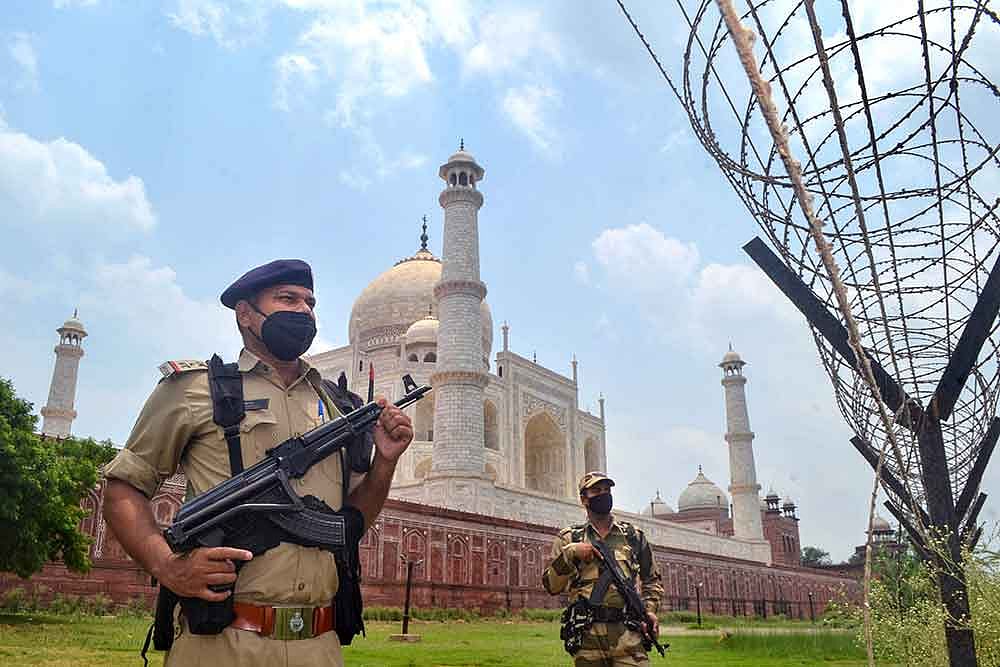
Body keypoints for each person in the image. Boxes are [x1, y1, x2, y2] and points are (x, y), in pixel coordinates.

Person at [102, 259, 414, 667]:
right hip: (222, 642)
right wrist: (167, 565)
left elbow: (350, 524)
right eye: (287, 299)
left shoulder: (338, 407)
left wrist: (385, 463)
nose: (303, 310)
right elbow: (123, 487)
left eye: (310, 302)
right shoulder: (198, 391)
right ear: (245, 313)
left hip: (318, 644)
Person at [543, 472, 664, 667]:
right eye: (596, 491)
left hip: (628, 635)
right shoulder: (569, 538)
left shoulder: (632, 536)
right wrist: (570, 554)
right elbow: (551, 586)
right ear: (584, 499)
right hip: (587, 638)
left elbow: (652, 579)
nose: (603, 494)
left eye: (607, 490)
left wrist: (650, 610)